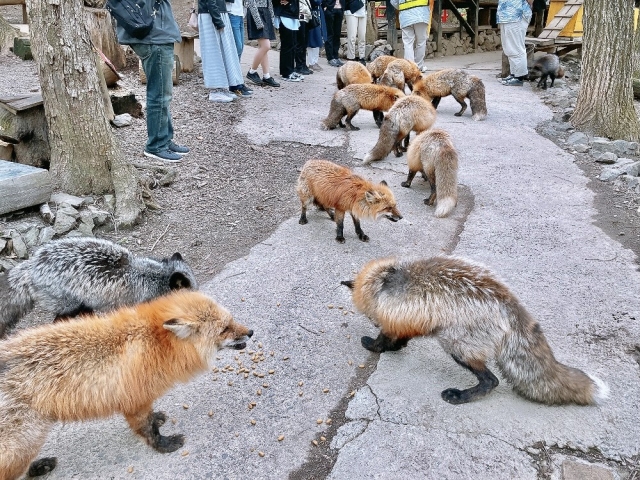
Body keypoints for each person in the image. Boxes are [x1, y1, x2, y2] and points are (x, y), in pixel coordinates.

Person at [114, 0, 189, 162]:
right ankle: (156, 145)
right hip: (154, 36)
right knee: (159, 94)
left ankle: (165, 139)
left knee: (162, 93)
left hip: (153, 33)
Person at [199, 0, 254, 102]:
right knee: (213, 53)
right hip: (210, 15)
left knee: (221, 52)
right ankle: (215, 91)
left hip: (217, 12)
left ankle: (221, 88)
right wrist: (218, 20)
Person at [497, 0, 533, 86]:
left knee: (516, 47)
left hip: (517, 15)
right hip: (506, 16)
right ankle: (513, 74)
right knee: (509, 48)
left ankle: (519, 77)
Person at [390, 0, 433, 73]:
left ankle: (409, 68)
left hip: (405, 17)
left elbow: (393, 2)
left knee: (408, 43)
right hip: (421, 15)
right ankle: (419, 67)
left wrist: (403, 7)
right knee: (421, 42)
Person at [246, 0, 281, 87]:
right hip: (256, 12)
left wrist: (271, 16)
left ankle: (266, 75)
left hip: (265, 12)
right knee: (266, 46)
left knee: (263, 47)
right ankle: (252, 71)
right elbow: (250, 2)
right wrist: (258, 20)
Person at [273, 0, 304, 81]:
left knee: (293, 43)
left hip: (292, 12)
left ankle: (291, 70)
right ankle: (286, 72)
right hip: (285, 12)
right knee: (287, 44)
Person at [322, 0, 345, 67]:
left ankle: (335, 56)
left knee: (337, 34)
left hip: (340, 8)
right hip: (330, 8)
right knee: (330, 33)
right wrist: (326, 5)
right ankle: (330, 58)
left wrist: (343, 7)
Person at [294, 0, 313, 75]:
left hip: (306, 17)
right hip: (300, 15)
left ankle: (303, 64)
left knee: (304, 43)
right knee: (300, 43)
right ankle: (299, 66)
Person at [344, 0, 366, 64]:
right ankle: (351, 57)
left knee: (362, 36)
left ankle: (361, 56)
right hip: (351, 11)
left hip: (363, 10)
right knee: (352, 36)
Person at [306, 0, 325, 71]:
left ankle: (315, 62)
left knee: (318, 39)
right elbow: (316, 1)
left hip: (318, 14)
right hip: (312, 14)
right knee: (312, 40)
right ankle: (311, 62)